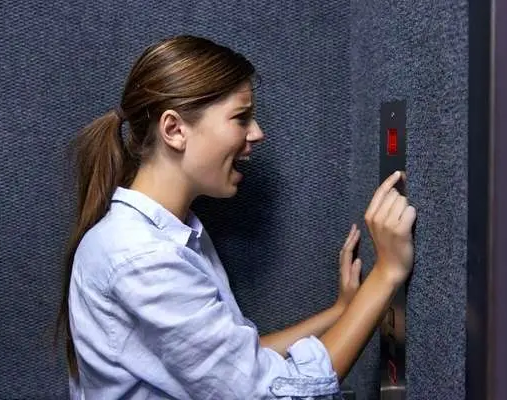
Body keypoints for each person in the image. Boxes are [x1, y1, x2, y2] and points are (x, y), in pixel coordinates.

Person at [56, 35, 416, 400]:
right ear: (174, 130)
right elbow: (272, 394)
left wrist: (341, 312)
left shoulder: (171, 235)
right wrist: (387, 271)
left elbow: (238, 366)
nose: (257, 133)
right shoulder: (143, 258)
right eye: (240, 117)